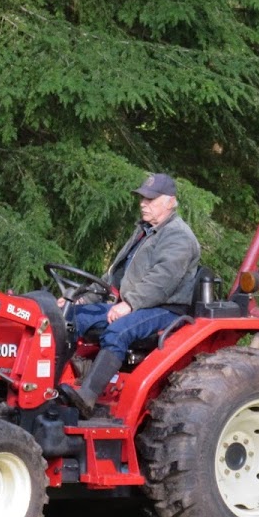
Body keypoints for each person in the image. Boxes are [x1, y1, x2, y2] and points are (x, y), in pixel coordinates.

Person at [59, 173, 200, 417]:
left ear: (170, 202)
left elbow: (162, 280)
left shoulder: (179, 236)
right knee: (71, 316)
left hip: (165, 308)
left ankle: (87, 397)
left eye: (151, 199)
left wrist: (130, 304)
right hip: (136, 303)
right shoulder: (144, 232)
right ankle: (50, 383)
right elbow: (113, 276)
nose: (143, 203)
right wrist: (82, 298)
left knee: (119, 331)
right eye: (142, 198)